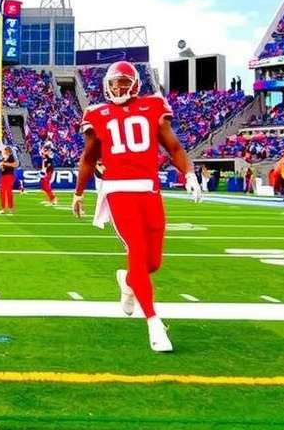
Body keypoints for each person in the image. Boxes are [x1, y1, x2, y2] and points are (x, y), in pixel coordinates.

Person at [72, 61, 202, 353]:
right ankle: (154, 322)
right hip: (118, 191)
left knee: (152, 263)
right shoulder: (96, 113)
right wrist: (78, 193)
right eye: (113, 83)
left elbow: (174, 147)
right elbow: (89, 158)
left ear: (134, 84)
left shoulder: (153, 106)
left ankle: (128, 280)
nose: (117, 88)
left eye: (122, 82)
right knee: (138, 251)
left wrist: (189, 174)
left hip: (149, 190)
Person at [0, 145, 18, 214]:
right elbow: (0, 168)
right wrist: (0, 165)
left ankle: (11, 208)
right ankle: (2, 208)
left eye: (7, 151)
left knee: (9, 192)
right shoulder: (2, 159)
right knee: (2, 192)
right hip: (3, 176)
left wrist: (5, 164)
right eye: (5, 151)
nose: (5, 152)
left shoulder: (12, 157)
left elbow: (15, 164)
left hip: (10, 176)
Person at [39, 142, 57, 206]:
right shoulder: (46, 154)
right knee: (44, 185)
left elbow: (46, 153)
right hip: (46, 170)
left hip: (49, 170)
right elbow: (42, 154)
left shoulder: (50, 152)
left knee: (45, 185)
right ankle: (49, 199)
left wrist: (44, 151)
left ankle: (53, 199)